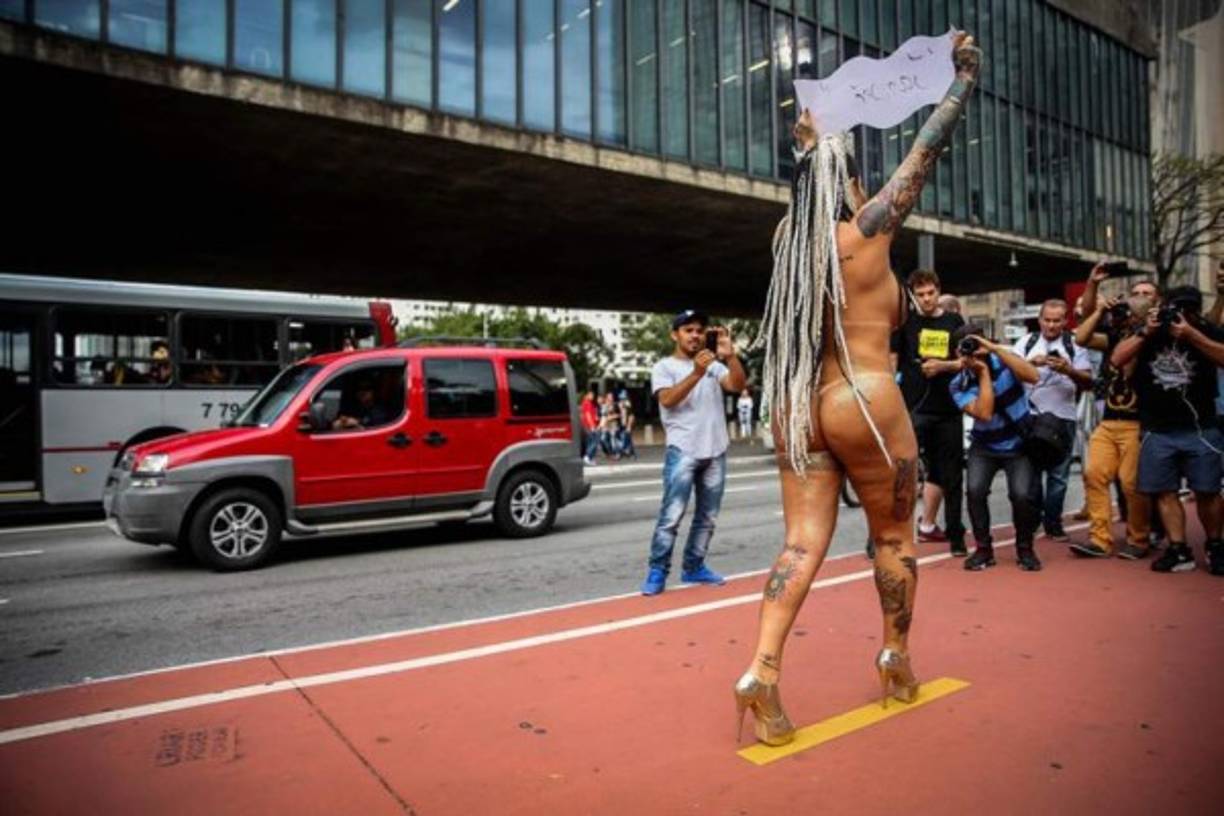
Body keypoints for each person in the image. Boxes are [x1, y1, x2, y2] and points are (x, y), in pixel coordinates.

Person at [734, 32, 981, 747]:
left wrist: (816, 144)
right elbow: (924, 155)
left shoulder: (790, 241)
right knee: (894, 534)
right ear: (847, 178)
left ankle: (763, 670)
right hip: (865, 399)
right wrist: (961, 81)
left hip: (800, 406)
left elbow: (828, 197)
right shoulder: (869, 235)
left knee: (799, 545)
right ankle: (894, 655)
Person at [1111, 286, 1224, 575]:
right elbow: (1117, 359)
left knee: (1208, 491)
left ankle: (1215, 545)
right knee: (1164, 491)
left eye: (1187, 310)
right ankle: (1178, 547)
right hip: (1157, 427)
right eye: (1176, 309)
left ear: (1196, 311)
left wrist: (1192, 335)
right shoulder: (1150, 331)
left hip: (1200, 426)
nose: (1180, 316)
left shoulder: (1206, 329)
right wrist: (1145, 332)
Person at [641, 309, 746, 596]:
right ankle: (657, 570)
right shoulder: (664, 367)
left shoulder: (714, 365)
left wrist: (731, 356)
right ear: (675, 335)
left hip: (716, 450)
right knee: (671, 516)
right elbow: (668, 400)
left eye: (700, 330)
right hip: (683, 450)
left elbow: (737, 385)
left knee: (707, 517)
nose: (696, 335)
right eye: (688, 330)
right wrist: (697, 374)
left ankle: (693, 566)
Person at [1070, 270, 1153, 559]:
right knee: (1094, 474)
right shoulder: (1115, 332)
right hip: (1109, 419)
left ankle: (1139, 538)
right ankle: (1100, 539)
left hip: (1137, 421)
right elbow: (1081, 337)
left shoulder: (1158, 335)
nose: (1138, 300)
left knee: (1131, 483)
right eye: (1135, 294)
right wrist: (1100, 307)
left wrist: (1146, 328)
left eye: (1146, 295)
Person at [950, 325, 1042, 571]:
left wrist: (993, 348)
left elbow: (1033, 376)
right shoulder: (958, 384)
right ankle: (983, 549)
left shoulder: (1006, 360)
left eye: (976, 344)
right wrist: (981, 373)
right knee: (975, 491)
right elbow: (985, 413)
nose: (974, 352)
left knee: (1022, 495)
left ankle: (1025, 549)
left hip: (1018, 444)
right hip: (984, 445)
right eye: (966, 348)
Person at [890, 268, 967, 556]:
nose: (926, 299)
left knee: (951, 475)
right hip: (913, 409)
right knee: (899, 475)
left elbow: (967, 361)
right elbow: (891, 362)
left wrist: (943, 366)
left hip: (948, 409)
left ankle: (956, 536)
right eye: (920, 294)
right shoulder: (905, 323)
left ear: (938, 290)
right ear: (913, 295)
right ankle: (883, 539)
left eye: (930, 293)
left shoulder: (953, 321)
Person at [1011, 300, 1093, 542]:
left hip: (1063, 418)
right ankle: (1034, 520)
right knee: (1031, 476)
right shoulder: (1025, 342)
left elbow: (1089, 382)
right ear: (1040, 320)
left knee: (1058, 477)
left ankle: (1053, 523)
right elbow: (1009, 372)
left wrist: (1068, 370)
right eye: (1047, 320)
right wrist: (1029, 364)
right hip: (1031, 418)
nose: (1051, 325)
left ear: (1065, 321)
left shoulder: (1075, 345)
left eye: (1057, 321)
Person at [599, 392, 622, 459]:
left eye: (611, 397)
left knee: (613, 439)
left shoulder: (616, 405)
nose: (610, 398)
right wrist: (601, 425)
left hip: (613, 425)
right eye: (609, 397)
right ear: (606, 398)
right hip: (605, 426)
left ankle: (617, 453)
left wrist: (611, 417)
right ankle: (609, 452)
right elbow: (603, 415)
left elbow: (619, 415)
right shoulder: (604, 406)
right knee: (602, 439)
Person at [616, 389, 638, 460]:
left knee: (626, 437)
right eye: (621, 399)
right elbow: (618, 415)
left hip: (627, 424)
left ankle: (621, 453)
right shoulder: (618, 405)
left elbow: (631, 416)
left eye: (624, 398)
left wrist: (629, 426)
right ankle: (632, 454)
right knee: (627, 439)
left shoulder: (628, 405)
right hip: (621, 424)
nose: (622, 400)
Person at [580, 389, 600, 465]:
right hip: (589, 426)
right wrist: (592, 426)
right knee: (595, 441)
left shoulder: (585, 403)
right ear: (587, 395)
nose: (592, 396)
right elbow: (588, 415)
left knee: (590, 442)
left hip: (587, 425)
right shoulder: (587, 403)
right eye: (591, 395)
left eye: (593, 395)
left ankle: (589, 458)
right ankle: (588, 456)